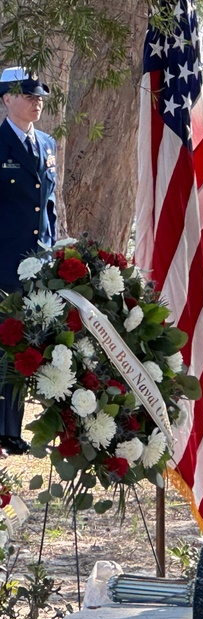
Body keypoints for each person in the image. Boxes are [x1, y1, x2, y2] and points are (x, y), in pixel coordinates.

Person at [0, 67, 57, 455]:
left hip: (39, 263)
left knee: (26, 348)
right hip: (4, 262)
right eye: (28, 95)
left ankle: (12, 430)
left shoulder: (48, 144)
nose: (36, 101)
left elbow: (48, 205)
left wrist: (54, 251)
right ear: (6, 99)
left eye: (39, 97)